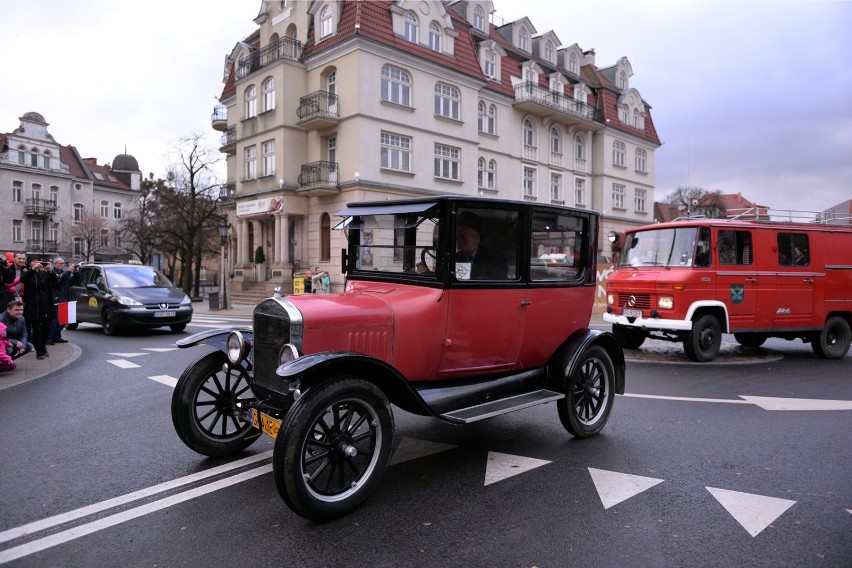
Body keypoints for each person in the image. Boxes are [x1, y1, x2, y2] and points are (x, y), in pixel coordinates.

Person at [20, 254, 59, 360]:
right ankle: (39, 351)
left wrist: (50, 270)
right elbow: (23, 279)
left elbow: (56, 281)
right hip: (33, 307)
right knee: (37, 330)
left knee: (47, 329)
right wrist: (33, 269)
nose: (36, 262)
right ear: (29, 263)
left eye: (38, 261)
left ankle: (43, 347)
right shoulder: (26, 272)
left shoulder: (44, 273)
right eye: (33, 261)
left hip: (46, 306)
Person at [455, 211, 509, 280]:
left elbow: (497, 286)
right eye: (457, 237)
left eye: (463, 237)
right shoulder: (453, 259)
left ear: (477, 239)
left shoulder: (496, 260)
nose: (459, 241)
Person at [47, 256, 78, 345]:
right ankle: (50, 338)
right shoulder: (52, 273)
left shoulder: (63, 273)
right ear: (55, 264)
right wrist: (68, 271)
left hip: (64, 299)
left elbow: (71, 282)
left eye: (63, 263)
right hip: (56, 299)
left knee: (63, 320)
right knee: (55, 320)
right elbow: (59, 280)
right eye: (61, 263)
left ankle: (57, 336)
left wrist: (76, 273)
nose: (62, 265)